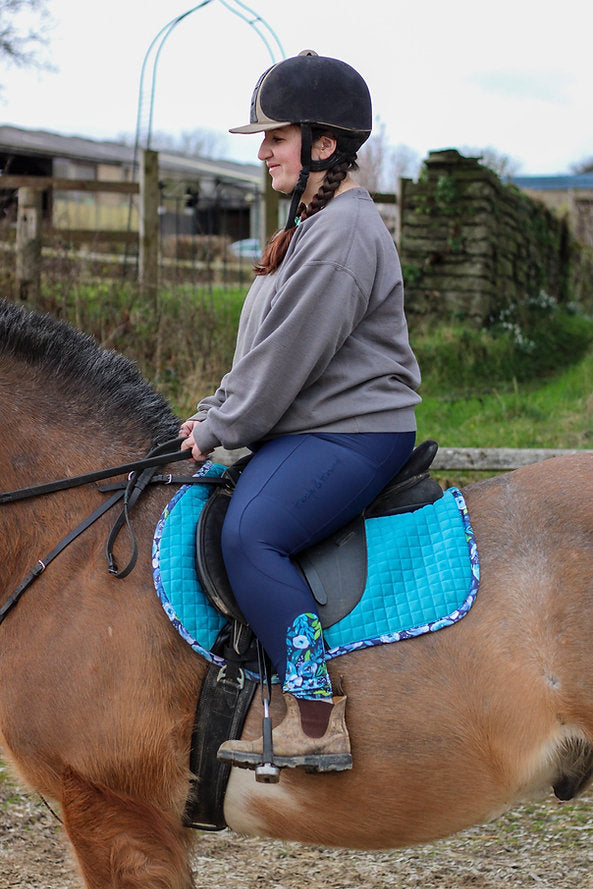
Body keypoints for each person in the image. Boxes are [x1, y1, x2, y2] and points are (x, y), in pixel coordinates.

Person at [180, 50, 421, 773]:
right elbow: (260, 351)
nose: (262, 153)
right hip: (309, 424)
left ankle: (314, 719)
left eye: (275, 138)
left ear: (323, 145)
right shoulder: (307, 227)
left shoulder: (343, 233)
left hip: (353, 432)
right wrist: (210, 412)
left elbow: (286, 361)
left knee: (252, 535)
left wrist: (223, 428)